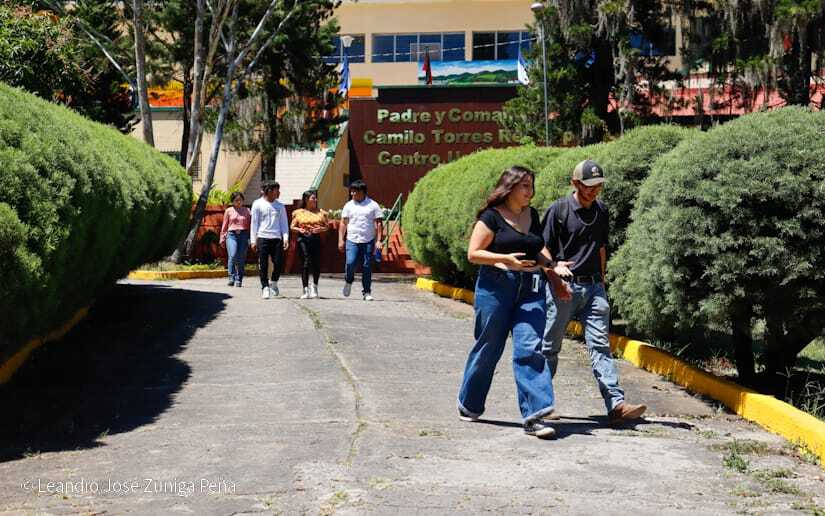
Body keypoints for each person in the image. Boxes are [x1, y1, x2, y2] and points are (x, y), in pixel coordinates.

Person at [457, 166, 573, 439]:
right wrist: (505, 260)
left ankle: (536, 414)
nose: (529, 192)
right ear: (509, 188)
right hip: (497, 287)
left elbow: (538, 248)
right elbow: (473, 253)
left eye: (531, 187)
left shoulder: (531, 214)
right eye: (524, 187)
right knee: (488, 348)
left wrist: (552, 267)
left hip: (531, 289)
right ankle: (469, 403)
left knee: (530, 348)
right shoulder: (492, 217)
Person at [541, 159, 647, 426]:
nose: (594, 190)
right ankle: (540, 404)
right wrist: (554, 278)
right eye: (589, 186)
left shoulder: (601, 210)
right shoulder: (559, 210)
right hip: (563, 287)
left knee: (600, 345)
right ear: (575, 183)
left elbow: (600, 247)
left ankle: (616, 405)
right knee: (550, 346)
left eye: (598, 185)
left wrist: (602, 281)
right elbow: (542, 250)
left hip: (594, 288)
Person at [338, 180, 384, 301]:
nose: (352, 194)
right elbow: (343, 223)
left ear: (362, 192)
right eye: (351, 191)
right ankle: (349, 281)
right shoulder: (348, 205)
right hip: (352, 239)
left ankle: (367, 292)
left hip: (368, 240)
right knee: (350, 262)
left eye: (354, 191)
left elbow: (379, 223)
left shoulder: (373, 205)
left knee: (366, 266)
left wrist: (379, 240)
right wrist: (340, 240)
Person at [251, 181, 289, 299]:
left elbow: (284, 224)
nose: (279, 193)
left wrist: (286, 238)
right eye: (276, 190)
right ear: (269, 191)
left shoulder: (280, 206)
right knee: (263, 264)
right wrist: (253, 240)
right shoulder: (257, 204)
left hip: (276, 238)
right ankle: (265, 287)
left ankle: (274, 282)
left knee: (278, 263)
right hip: (263, 238)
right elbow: (254, 223)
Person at [291, 190, 329, 299]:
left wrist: (320, 229)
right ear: (306, 200)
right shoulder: (298, 212)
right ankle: (305, 289)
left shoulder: (321, 212)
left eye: (315, 198)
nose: (315, 200)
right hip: (303, 239)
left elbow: (327, 226)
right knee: (305, 262)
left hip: (316, 239)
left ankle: (315, 286)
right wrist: (300, 230)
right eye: (313, 198)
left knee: (316, 263)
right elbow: (292, 227)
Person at [219, 192, 251, 287]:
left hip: (244, 235)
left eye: (240, 200)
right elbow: (224, 225)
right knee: (232, 255)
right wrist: (222, 238)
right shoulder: (228, 211)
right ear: (232, 201)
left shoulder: (247, 210)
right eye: (236, 200)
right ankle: (231, 277)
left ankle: (239, 278)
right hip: (231, 235)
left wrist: (251, 238)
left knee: (241, 257)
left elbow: (250, 225)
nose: (238, 202)